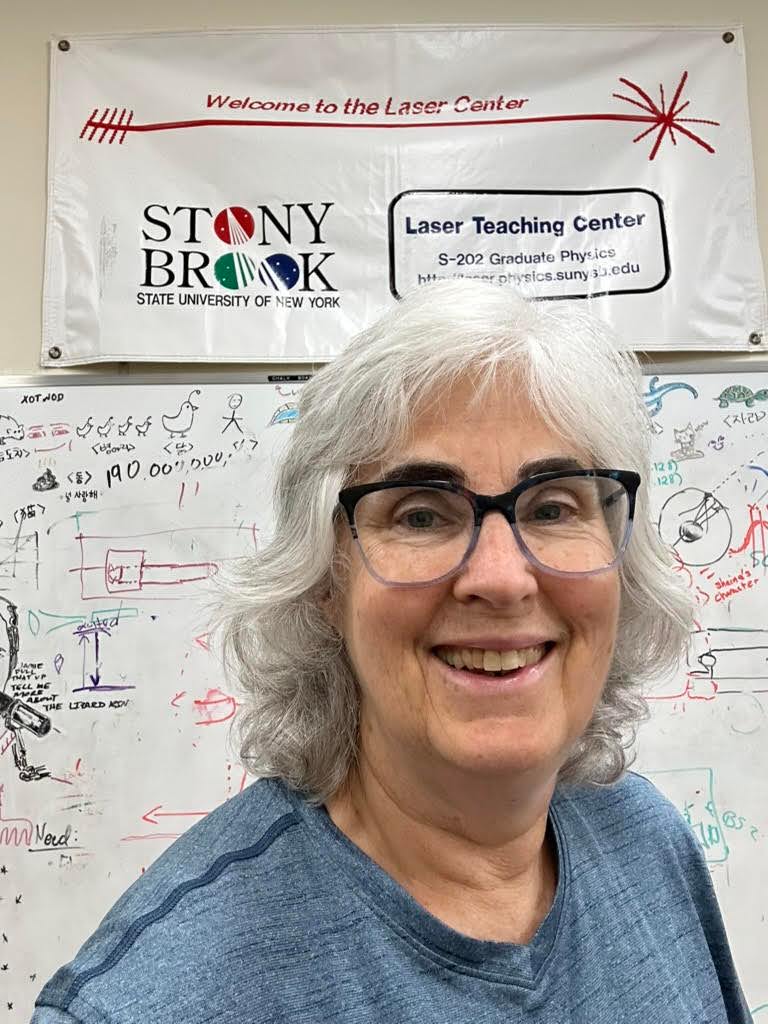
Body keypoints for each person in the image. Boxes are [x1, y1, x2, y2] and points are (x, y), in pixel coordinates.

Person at [32, 281, 752, 1023]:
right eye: (419, 515)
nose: (502, 578)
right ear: (324, 581)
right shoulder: (152, 1004)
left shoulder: (644, 840)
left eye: (552, 507)